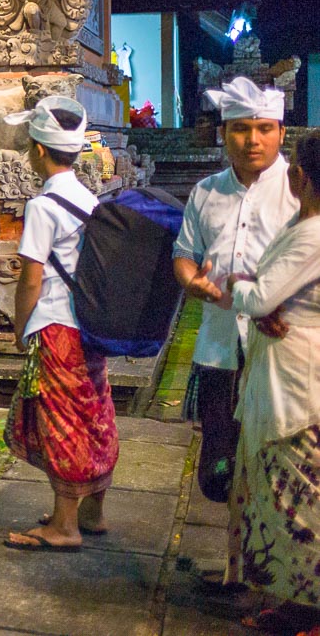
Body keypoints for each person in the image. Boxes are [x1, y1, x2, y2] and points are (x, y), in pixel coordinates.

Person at [172, 76, 295, 575]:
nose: (252, 140)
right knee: (219, 470)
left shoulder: (297, 191)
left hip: (278, 353)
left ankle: (261, 571)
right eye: (241, 129)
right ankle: (235, 564)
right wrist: (192, 283)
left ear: (280, 133)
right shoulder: (206, 193)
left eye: (264, 128)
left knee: (271, 464)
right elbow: (184, 256)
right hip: (220, 348)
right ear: (224, 134)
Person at [2, 97, 120, 551]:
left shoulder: (42, 206)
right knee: (94, 410)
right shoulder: (88, 198)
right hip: (89, 323)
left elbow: (31, 280)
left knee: (64, 418)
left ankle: (65, 526)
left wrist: (19, 328)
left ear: (38, 151)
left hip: (56, 324)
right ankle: (93, 511)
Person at [214, 132, 320, 630]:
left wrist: (238, 287)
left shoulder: (313, 233)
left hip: (296, 377)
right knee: (279, 492)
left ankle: (310, 609)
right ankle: (295, 602)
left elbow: (257, 295)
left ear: (303, 177)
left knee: (300, 497)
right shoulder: (304, 224)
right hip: (283, 364)